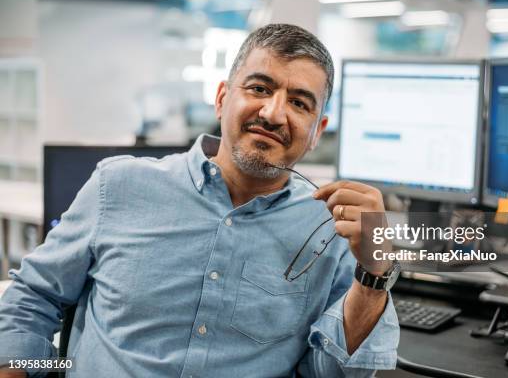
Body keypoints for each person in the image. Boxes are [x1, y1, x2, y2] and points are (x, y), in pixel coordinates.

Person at [0, 24, 399, 377]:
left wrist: (373, 273)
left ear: (317, 131)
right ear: (223, 98)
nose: (274, 113)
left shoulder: (331, 230)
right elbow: (32, 301)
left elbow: (328, 374)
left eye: (299, 103)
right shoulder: (117, 185)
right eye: (259, 88)